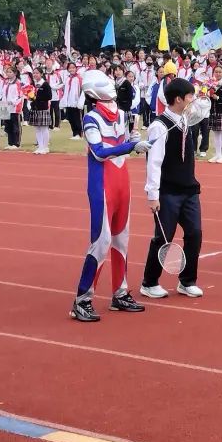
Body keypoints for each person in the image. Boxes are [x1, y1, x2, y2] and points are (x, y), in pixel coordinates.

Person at [70, 70, 152, 321]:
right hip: (102, 184)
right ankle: (82, 299)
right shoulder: (91, 118)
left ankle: (120, 292)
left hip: (122, 183)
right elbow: (98, 151)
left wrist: (135, 138)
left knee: (121, 240)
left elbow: (128, 137)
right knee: (101, 241)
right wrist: (131, 145)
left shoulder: (122, 113)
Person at [140, 78, 212, 300]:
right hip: (168, 191)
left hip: (189, 189)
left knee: (194, 234)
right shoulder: (159, 126)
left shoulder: (185, 119)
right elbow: (154, 162)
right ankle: (149, 282)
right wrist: (153, 195)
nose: (193, 100)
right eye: (189, 96)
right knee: (163, 237)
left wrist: (205, 92)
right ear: (178, 99)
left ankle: (187, 281)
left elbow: (204, 108)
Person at [28, 70, 53, 155]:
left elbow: (49, 96)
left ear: (41, 74)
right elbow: (30, 95)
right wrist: (31, 97)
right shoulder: (33, 84)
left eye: (37, 73)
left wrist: (36, 97)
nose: (35, 75)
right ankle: (40, 146)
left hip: (43, 108)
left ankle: (45, 147)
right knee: (37, 129)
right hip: (35, 108)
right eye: (34, 73)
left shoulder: (45, 84)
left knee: (44, 128)